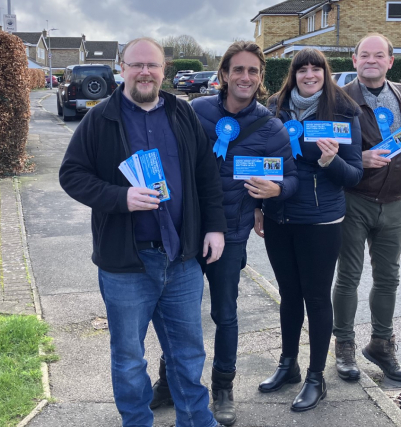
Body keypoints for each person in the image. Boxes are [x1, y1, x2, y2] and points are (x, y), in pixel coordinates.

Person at [59, 37, 228, 427]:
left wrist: (215, 228)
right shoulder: (100, 118)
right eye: (136, 65)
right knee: (129, 358)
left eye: (151, 65)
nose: (144, 72)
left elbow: (206, 175)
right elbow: (72, 176)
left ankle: (197, 422)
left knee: (188, 353)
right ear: (122, 68)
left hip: (181, 259)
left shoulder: (181, 114)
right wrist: (122, 197)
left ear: (163, 69)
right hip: (127, 263)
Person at [150, 40, 297, 426]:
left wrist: (276, 191)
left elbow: (293, 176)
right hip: (185, 230)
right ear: (224, 75)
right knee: (178, 314)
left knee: (225, 314)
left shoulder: (271, 126)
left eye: (253, 71)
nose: (244, 77)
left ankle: (224, 387)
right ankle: (168, 381)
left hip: (231, 234)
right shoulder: (195, 111)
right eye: (238, 70)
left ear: (261, 78)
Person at [258, 47, 363, 412]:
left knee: (316, 298)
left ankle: (316, 378)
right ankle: (288, 365)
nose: (308, 75)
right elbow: (262, 160)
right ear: (293, 74)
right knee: (288, 295)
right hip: (279, 216)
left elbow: (354, 175)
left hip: (320, 219)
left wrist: (330, 159)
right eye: (301, 69)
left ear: (324, 72)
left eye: (315, 69)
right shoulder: (273, 107)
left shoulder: (344, 110)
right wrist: (260, 206)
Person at [332, 33, 401, 383]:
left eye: (378, 55)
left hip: (395, 203)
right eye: (364, 55)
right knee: (348, 278)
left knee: (389, 279)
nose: (371, 60)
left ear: (390, 61)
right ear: (354, 61)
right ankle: (345, 347)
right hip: (356, 200)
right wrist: (358, 157)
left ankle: (381, 345)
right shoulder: (339, 99)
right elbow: (321, 147)